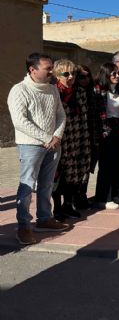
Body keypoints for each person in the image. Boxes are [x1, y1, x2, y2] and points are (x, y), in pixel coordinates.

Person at [8, 53, 69, 245]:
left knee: (47, 184)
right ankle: (24, 226)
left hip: (53, 144)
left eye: (52, 67)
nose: (52, 71)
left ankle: (44, 218)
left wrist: (57, 136)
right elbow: (20, 122)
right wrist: (46, 138)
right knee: (27, 185)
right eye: (47, 68)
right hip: (30, 145)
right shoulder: (20, 90)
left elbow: (61, 115)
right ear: (32, 70)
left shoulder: (52, 90)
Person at [51, 59, 92, 222]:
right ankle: (57, 208)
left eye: (73, 73)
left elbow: (84, 116)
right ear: (56, 75)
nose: (70, 77)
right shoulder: (53, 92)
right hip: (60, 139)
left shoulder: (79, 92)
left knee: (74, 175)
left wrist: (85, 139)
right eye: (66, 74)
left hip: (78, 138)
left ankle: (68, 205)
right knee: (58, 176)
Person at [93, 62, 119, 209]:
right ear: (106, 74)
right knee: (105, 165)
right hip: (104, 130)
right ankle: (102, 198)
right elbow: (96, 113)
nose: (117, 76)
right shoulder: (98, 89)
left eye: (118, 73)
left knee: (116, 163)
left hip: (118, 129)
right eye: (113, 73)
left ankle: (114, 194)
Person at [74, 64, 98, 210]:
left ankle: (82, 196)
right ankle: (74, 199)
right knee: (75, 170)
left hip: (90, 136)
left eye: (88, 76)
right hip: (77, 136)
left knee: (87, 168)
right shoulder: (74, 94)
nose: (86, 79)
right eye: (81, 77)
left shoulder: (92, 92)